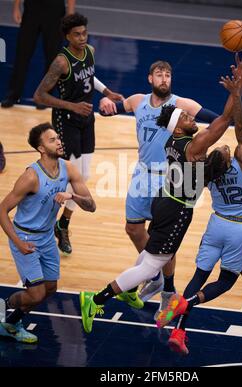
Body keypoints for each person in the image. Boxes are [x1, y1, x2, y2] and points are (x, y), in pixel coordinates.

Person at [79, 63, 242, 335]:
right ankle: (96, 299)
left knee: (151, 257)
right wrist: (236, 92)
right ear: (177, 128)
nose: (192, 118)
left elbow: (209, 135)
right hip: (175, 209)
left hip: (167, 200)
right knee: (151, 265)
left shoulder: (174, 142)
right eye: (185, 118)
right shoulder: (192, 146)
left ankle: (154, 288)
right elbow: (223, 122)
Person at [155, 96, 242, 356]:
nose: (228, 148)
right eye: (227, 150)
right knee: (227, 280)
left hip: (216, 225)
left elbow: (225, 165)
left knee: (199, 275)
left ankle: (179, 331)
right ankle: (186, 303)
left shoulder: (207, 175)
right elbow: (240, 129)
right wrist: (238, 95)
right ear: (234, 161)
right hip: (239, 229)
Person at [99, 60, 220, 309]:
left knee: (163, 237)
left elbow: (216, 121)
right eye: (159, 74)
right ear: (150, 79)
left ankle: (167, 286)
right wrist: (106, 105)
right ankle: (151, 272)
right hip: (141, 173)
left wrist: (196, 149)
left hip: (168, 178)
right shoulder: (136, 101)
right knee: (133, 229)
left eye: (168, 75)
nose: (164, 78)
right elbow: (109, 110)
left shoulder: (182, 105)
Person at [34, 13, 123, 255]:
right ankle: (48, 223)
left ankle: (63, 223)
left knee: (84, 174)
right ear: (67, 36)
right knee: (74, 177)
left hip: (86, 119)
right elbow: (39, 96)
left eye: (84, 33)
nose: (82, 38)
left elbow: (89, 76)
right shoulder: (61, 62)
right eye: (77, 34)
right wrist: (72, 106)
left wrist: (107, 91)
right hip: (67, 121)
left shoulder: (91, 51)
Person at [0, 122, 96, 343]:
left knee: (50, 288)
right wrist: (18, 242)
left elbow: (91, 206)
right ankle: (4, 307)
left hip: (46, 237)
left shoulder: (69, 168)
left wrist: (73, 197)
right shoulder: (31, 177)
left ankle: (11, 322)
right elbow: (2, 210)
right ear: (41, 148)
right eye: (52, 140)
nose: (59, 141)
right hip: (25, 237)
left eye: (58, 138)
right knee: (36, 293)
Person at [1, 0, 76, 109]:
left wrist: (70, 14)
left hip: (54, 11)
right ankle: (13, 95)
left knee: (52, 57)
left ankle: (45, 96)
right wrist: (16, 7)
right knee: (22, 54)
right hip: (32, 9)